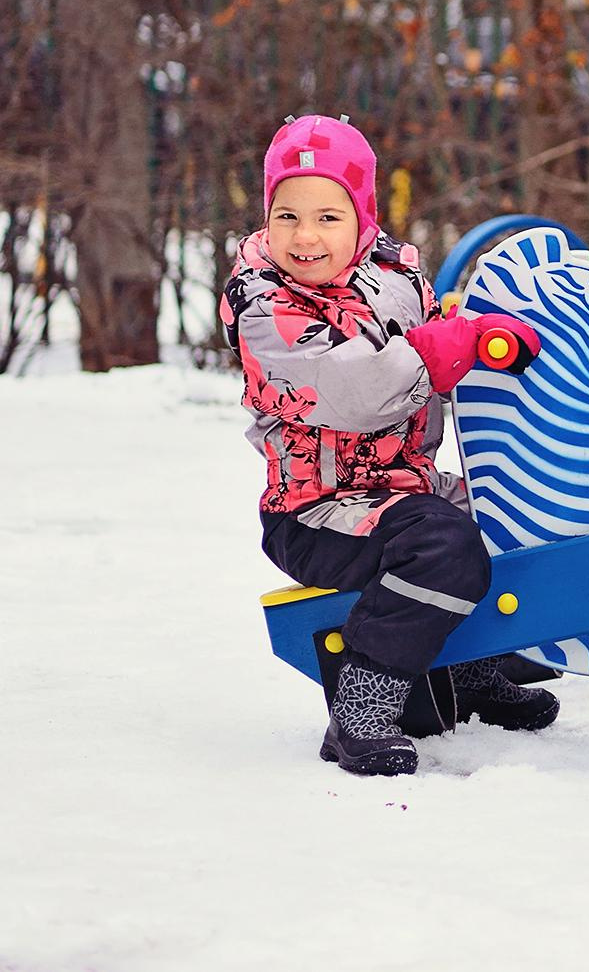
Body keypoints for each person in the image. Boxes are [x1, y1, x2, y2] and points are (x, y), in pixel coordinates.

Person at [223, 114, 553, 777]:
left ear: (363, 215)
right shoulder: (263, 305)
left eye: (327, 216)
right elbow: (359, 389)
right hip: (317, 511)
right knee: (442, 546)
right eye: (286, 215)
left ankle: (470, 667)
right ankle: (363, 701)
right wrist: (441, 348)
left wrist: (471, 333)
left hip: (401, 489)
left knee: (507, 511)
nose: (305, 236)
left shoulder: (390, 275)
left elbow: (434, 341)